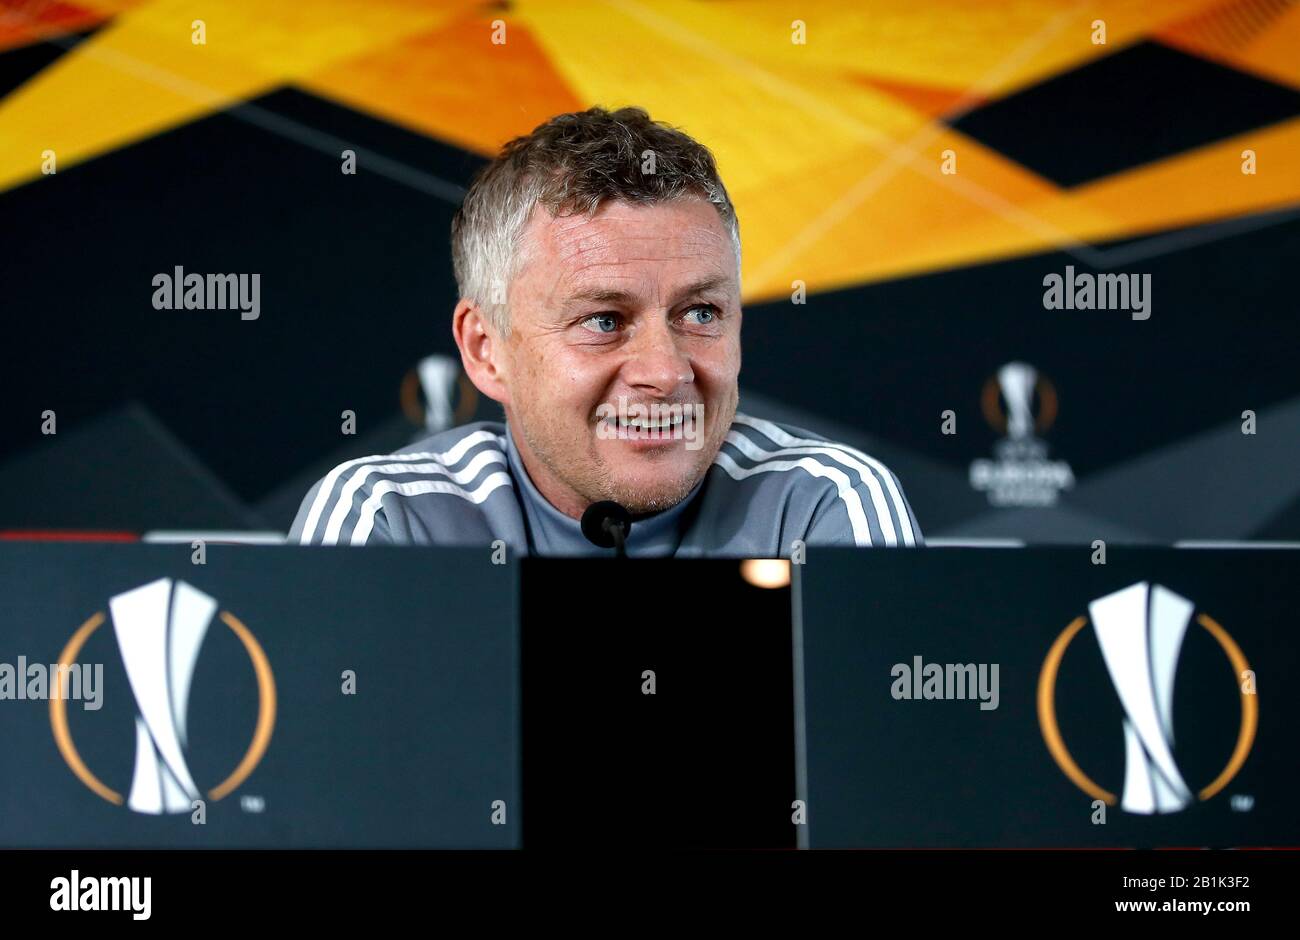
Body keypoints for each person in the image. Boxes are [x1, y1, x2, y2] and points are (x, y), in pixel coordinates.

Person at [291, 106, 921, 556]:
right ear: (486, 352)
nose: (666, 371)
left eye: (700, 313)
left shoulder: (824, 505)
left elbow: (889, 744)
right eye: (603, 321)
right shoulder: (385, 520)